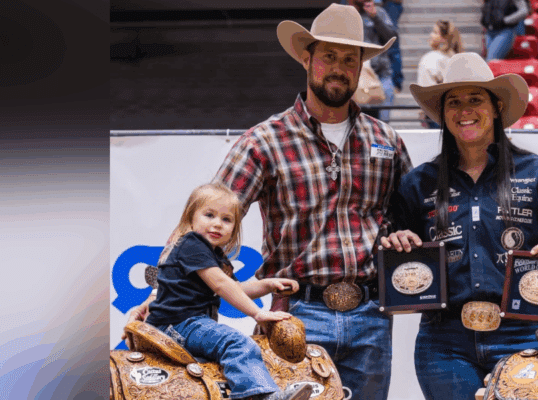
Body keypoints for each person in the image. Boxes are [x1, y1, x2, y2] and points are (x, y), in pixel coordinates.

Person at [213, 4, 411, 400]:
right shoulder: (263, 141)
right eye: (328, 56)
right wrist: (165, 296)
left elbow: (416, 220)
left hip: (371, 316)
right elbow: (208, 223)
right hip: (295, 315)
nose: (339, 67)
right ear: (307, 59)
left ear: (360, 66)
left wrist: (407, 235)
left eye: (349, 59)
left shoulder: (387, 141)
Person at [381, 52, 538, 399]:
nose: (464, 110)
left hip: (525, 334)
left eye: (475, 99)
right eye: (453, 102)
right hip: (444, 341)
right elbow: (390, 246)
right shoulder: (417, 184)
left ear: (496, 106)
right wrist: (396, 240)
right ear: (443, 114)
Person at [142, 183, 311, 400]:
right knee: (235, 343)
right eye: (209, 215)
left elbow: (236, 289)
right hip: (175, 324)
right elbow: (221, 285)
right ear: (190, 219)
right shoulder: (191, 244)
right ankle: (260, 396)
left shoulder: (215, 256)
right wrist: (257, 314)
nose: (217, 224)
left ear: (234, 227)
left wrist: (268, 285)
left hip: (191, 323)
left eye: (226, 219)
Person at [346, 0, 399, 121]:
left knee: (384, 123)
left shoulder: (379, 12)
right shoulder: (345, 14)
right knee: (357, 122)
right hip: (355, 77)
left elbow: (392, 38)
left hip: (381, 75)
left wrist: (375, 17)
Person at [416, 20, 464, 129]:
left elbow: (425, 89)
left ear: (444, 38)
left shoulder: (430, 58)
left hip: (434, 112)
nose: (431, 35)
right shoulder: (457, 57)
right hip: (455, 111)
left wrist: (421, 112)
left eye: (435, 32)